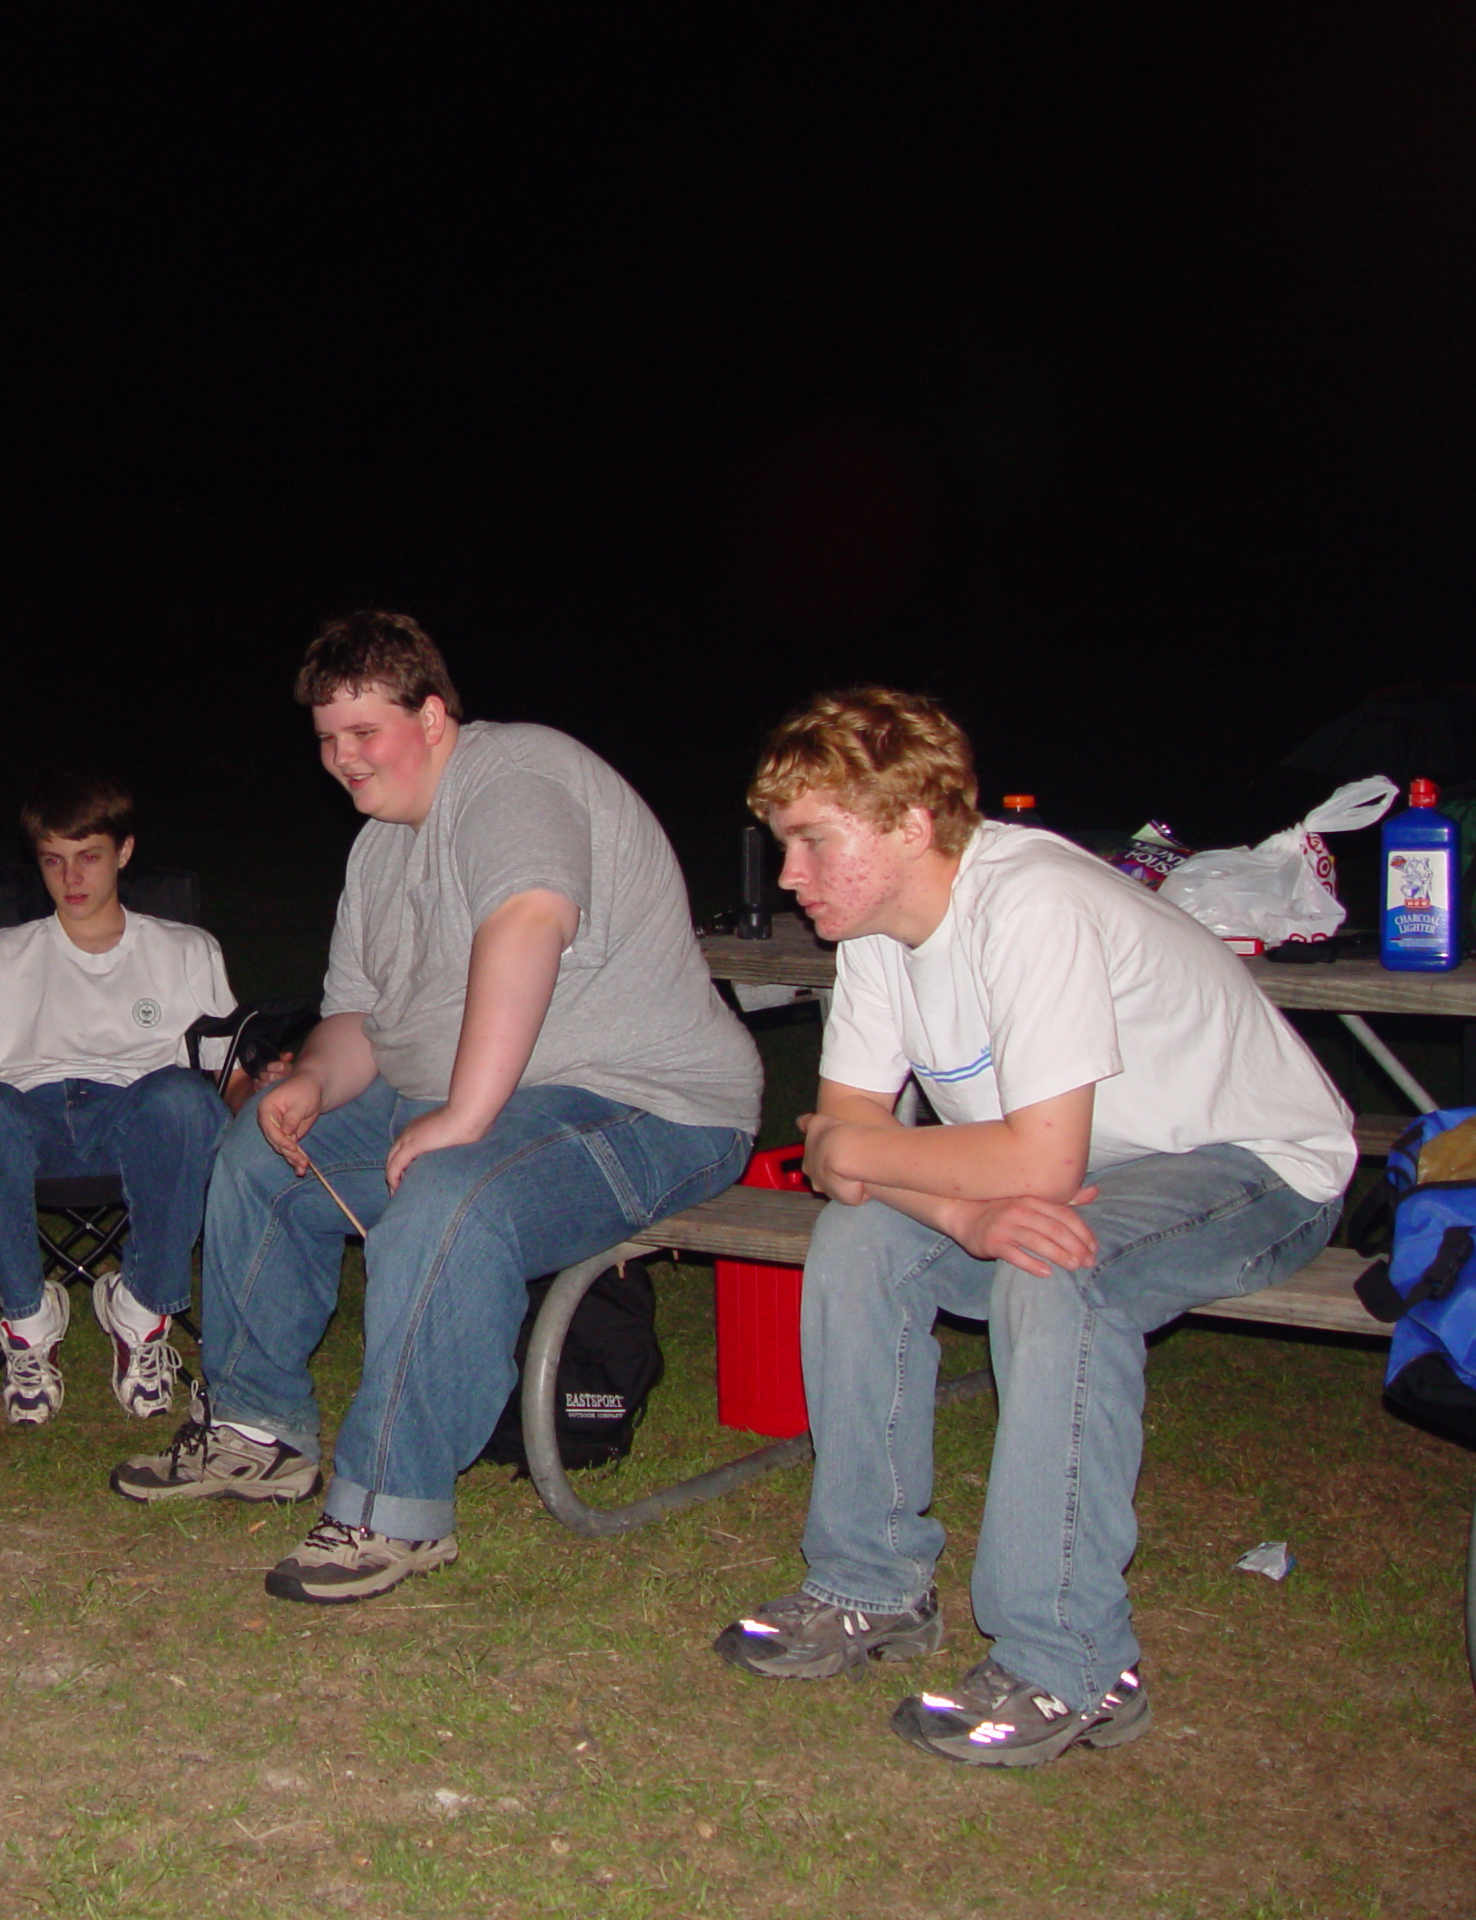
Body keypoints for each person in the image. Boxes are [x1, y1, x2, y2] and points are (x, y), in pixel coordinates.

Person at [715, 688, 1354, 1766]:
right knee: (861, 1242)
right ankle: (868, 1584)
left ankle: (1074, 1665)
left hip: (1248, 1164)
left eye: (812, 842)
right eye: (786, 845)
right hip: (1061, 1167)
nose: (790, 876)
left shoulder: (1032, 902)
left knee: (1061, 1276)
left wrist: (870, 1155)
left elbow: (942, 1155)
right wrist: (958, 1206)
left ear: (912, 823)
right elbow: (851, 1147)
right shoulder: (874, 931)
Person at [111, 611, 761, 1605]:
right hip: (465, 1091)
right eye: (326, 739)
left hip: (649, 1105)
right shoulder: (378, 854)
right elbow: (358, 1018)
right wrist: (314, 1082)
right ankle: (253, 1430)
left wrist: (463, 1115)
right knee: (257, 1152)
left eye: (363, 733)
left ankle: (392, 1508)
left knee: (452, 1194)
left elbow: (528, 920)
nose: (340, 760)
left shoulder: (514, 775)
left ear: (433, 714)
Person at [0, 774, 246, 1425]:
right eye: (53, 861)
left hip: (139, 1120)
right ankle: (29, 1321)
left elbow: (226, 1071)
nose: (72, 877)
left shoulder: (185, 950)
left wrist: (274, 1095)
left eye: (89, 857)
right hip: (29, 1124)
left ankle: (140, 1312)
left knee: (183, 1100)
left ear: (124, 851)